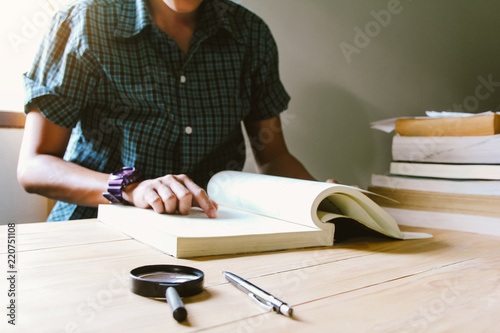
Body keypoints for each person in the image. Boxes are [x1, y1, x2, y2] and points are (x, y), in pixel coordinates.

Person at [18, 0, 321, 221]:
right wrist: (129, 189)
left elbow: (275, 157)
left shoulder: (251, 35)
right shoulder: (85, 23)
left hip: (206, 231)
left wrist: (322, 197)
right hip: (94, 228)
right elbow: (34, 166)